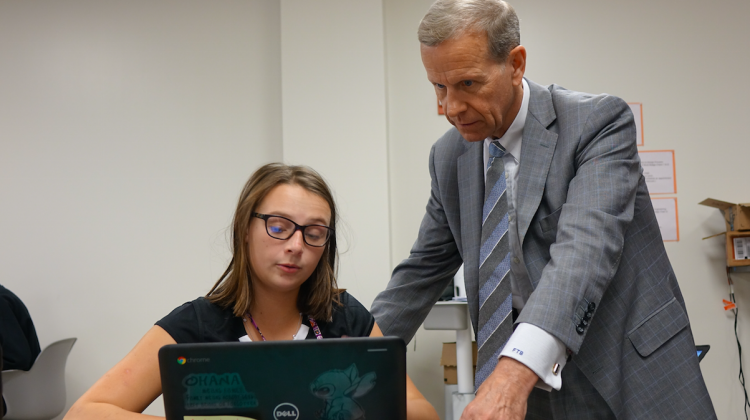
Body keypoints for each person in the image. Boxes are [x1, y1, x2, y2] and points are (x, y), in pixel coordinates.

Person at [370, 1, 716, 419]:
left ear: (515, 64)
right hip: (536, 391)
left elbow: (582, 254)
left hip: (629, 369)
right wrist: (346, 357)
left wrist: (510, 376)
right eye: (439, 88)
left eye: (467, 83)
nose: (450, 108)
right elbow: (421, 271)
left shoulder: (596, 124)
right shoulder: (450, 158)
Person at [65, 163, 438, 420]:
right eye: (278, 227)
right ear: (245, 229)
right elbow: (85, 412)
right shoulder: (196, 325)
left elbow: (421, 411)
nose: (296, 245)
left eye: (314, 232)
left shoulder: (344, 316)